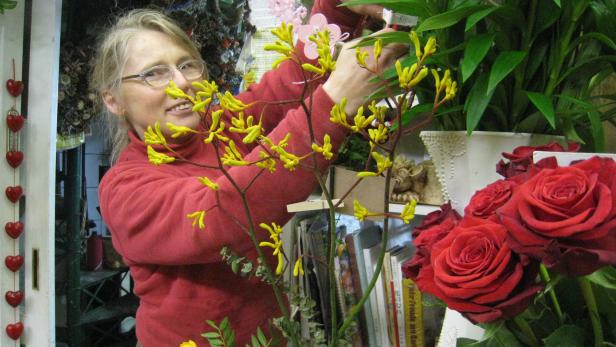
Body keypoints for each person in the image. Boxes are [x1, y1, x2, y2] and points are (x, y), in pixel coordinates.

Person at [92, 1, 405, 345]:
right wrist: (336, 101)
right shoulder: (124, 189)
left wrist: (339, 9)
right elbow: (221, 214)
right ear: (113, 100)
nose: (181, 83)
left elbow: (288, 85)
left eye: (187, 65)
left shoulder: (221, 126)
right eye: (154, 73)